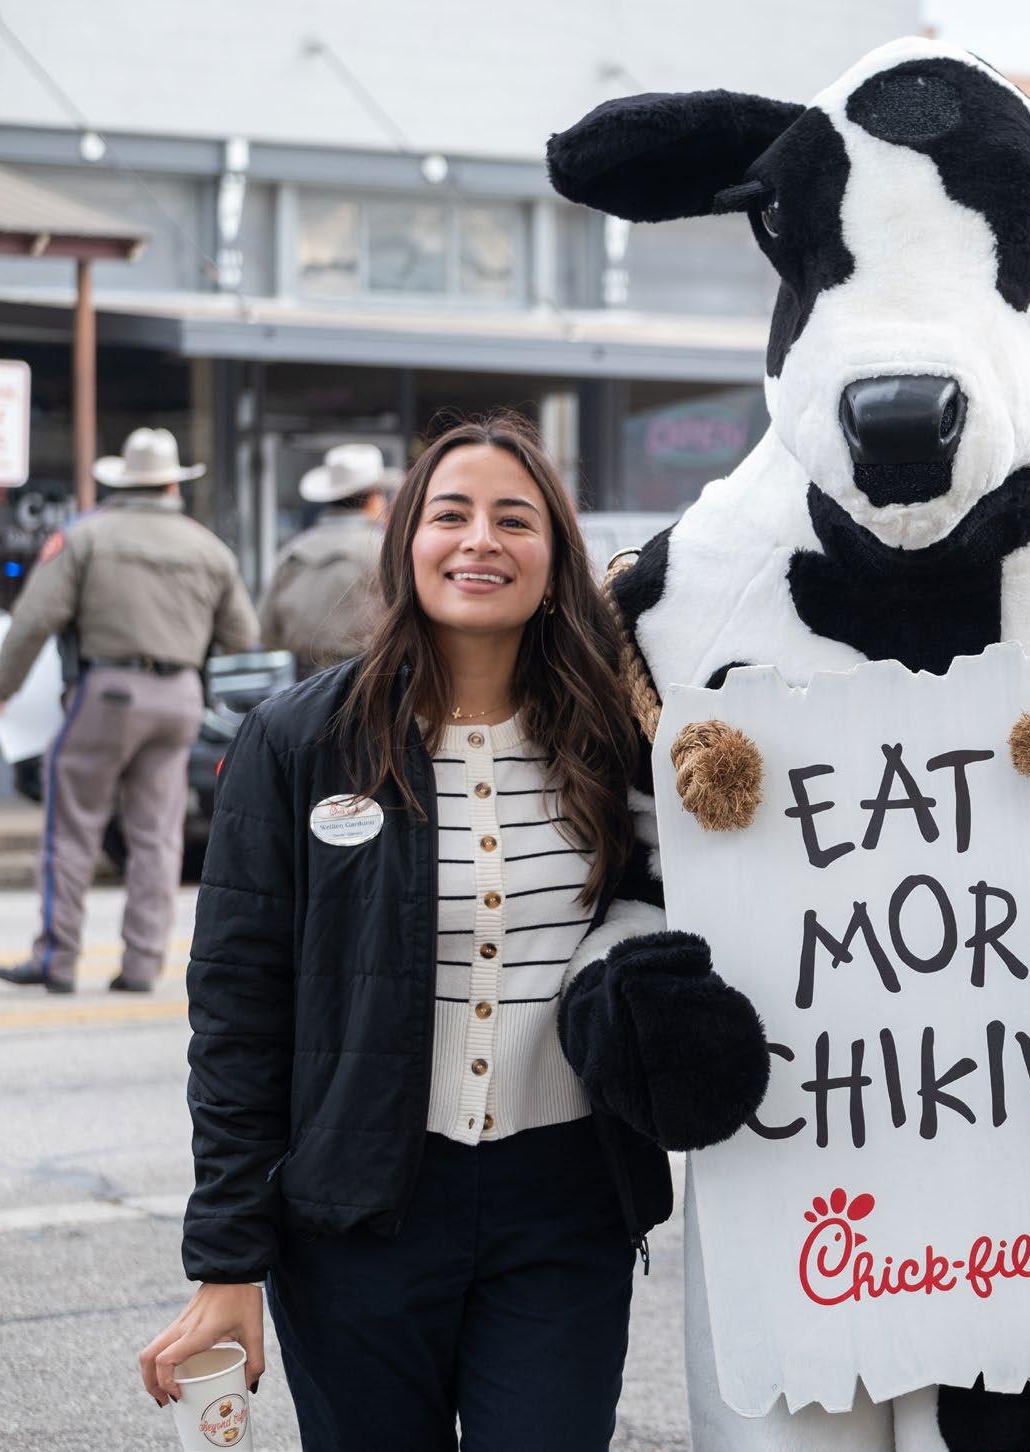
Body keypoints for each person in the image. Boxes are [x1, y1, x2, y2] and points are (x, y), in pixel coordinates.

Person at [136, 416, 669, 1449]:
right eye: (450, 515)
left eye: (514, 520)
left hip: (566, 1209)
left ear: (555, 559)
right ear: (405, 544)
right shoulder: (300, 740)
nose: (480, 541)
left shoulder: (617, 740)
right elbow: (239, 1014)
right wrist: (226, 1262)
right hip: (356, 1216)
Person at [0, 428, 257, 995]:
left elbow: (34, 620)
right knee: (157, 835)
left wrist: (1, 689)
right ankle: (142, 964)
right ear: (172, 485)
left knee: (73, 825)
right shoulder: (207, 547)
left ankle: (57, 958)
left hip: (106, 695)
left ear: (122, 482)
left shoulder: (86, 536)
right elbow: (244, 635)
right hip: (179, 698)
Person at [259, 442, 401, 673]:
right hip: (369, 676)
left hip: (303, 680)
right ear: (373, 500)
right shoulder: (385, 550)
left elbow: (267, 631)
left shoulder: (293, 552)